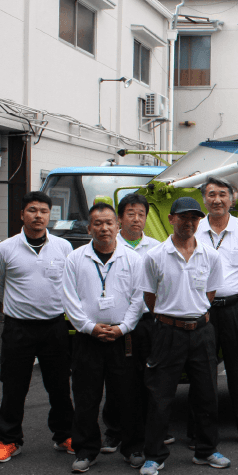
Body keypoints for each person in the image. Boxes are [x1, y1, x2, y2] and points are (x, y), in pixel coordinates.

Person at [138, 196, 229, 475]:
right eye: (183, 217)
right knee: (160, 396)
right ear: (171, 219)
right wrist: (171, 316)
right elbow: (149, 296)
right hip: (167, 332)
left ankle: (206, 450)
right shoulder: (155, 256)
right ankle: (154, 456)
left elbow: (210, 294)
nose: (189, 223)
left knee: (206, 394)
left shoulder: (210, 256)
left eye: (194, 218)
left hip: (202, 332)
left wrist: (192, 314)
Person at [0, 192, 74, 463]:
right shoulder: (5, 250)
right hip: (18, 328)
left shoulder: (63, 247)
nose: (38, 216)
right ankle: (9, 440)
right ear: (22, 214)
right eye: (32, 210)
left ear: (50, 215)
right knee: (14, 386)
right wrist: (19, 307)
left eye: (44, 211)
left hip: (54, 326)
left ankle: (64, 435)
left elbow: (70, 283)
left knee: (59, 385)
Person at [63, 203, 145, 472]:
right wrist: (89, 327)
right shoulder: (75, 259)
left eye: (109, 222)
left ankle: (132, 447)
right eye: (97, 223)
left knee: (128, 395)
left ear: (118, 226)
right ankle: (86, 450)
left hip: (123, 337)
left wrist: (124, 327)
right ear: (89, 228)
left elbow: (139, 298)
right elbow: (69, 299)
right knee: (86, 396)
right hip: (88, 338)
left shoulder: (133, 259)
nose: (104, 228)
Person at [196, 177, 238, 448]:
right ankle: (200, 433)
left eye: (222, 194)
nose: (217, 200)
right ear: (204, 199)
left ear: (232, 198)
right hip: (203, 310)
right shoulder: (195, 230)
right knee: (202, 371)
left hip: (235, 308)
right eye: (211, 194)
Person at [99, 193, 163, 455]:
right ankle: (114, 431)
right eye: (130, 213)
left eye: (141, 214)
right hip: (118, 324)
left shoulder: (157, 248)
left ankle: (149, 429)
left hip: (147, 323)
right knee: (118, 379)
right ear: (119, 218)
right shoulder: (110, 246)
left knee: (150, 378)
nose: (136, 219)